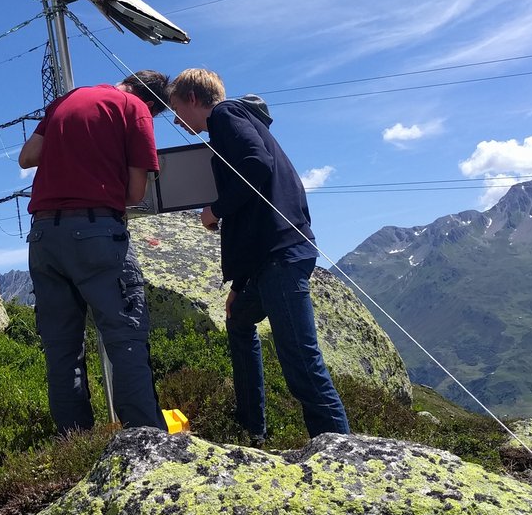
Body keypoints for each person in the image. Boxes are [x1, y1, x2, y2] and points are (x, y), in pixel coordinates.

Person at [166, 68, 350, 441]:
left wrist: (215, 210)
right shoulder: (233, 122)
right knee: (238, 320)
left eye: (175, 109)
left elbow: (256, 165)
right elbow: (255, 212)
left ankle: (340, 453)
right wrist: (239, 283)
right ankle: (253, 430)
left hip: (281, 257)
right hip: (271, 258)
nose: (175, 119)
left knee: (302, 363)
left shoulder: (225, 116)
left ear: (192, 99)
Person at [18, 71, 169, 434]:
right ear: (152, 102)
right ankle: (145, 444)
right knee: (125, 338)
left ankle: (75, 446)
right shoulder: (135, 108)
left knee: (62, 349)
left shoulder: (65, 101)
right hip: (97, 232)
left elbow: (27, 157)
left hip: (43, 236)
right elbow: (134, 194)